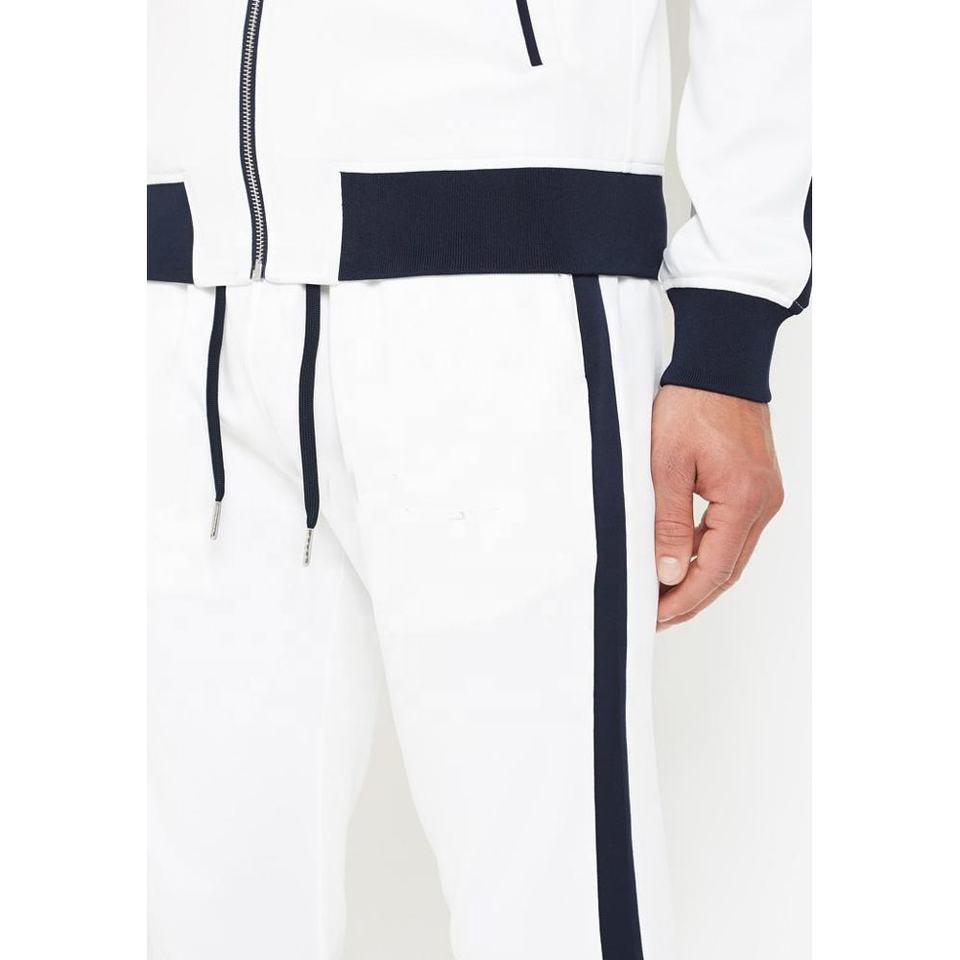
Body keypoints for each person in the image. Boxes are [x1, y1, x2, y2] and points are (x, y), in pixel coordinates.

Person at [147, 2, 810, 958]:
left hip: (507, 289)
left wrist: (731, 323)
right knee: (199, 909)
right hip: (178, 297)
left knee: (552, 908)